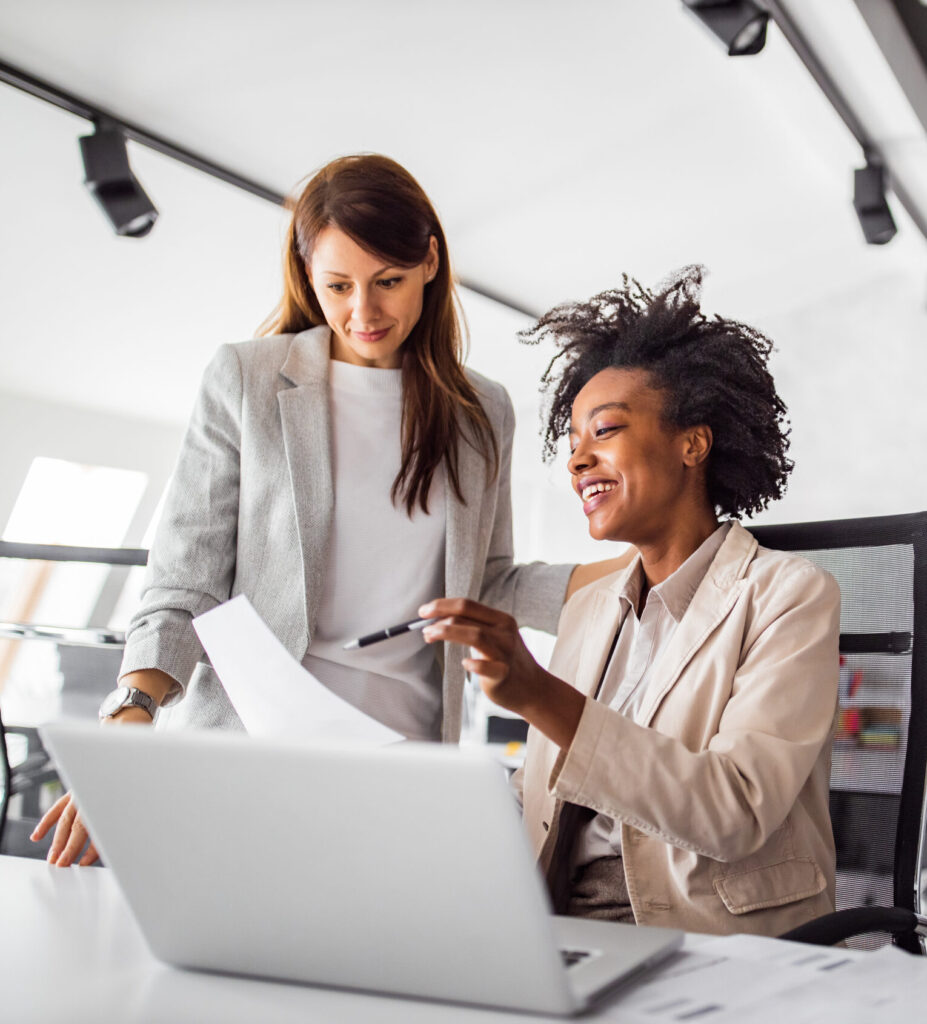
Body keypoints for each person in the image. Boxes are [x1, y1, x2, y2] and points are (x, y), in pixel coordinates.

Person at [33, 154, 625, 867]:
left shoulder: (480, 410)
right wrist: (131, 714)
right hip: (250, 751)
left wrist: (635, 573)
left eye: (388, 283)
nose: (363, 313)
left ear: (430, 262)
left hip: (401, 762)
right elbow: (185, 579)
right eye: (338, 285)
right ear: (306, 273)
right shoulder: (246, 380)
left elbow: (487, 582)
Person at [420, 266, 840, 937]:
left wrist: (536, 694)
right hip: (558, 920)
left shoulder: (788, 597)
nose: (576, 461)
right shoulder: (590, 605)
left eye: (604, 431)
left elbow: (732, 811)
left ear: (691, 444)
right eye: (573, 443)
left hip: (699, 933)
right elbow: (546, 791)